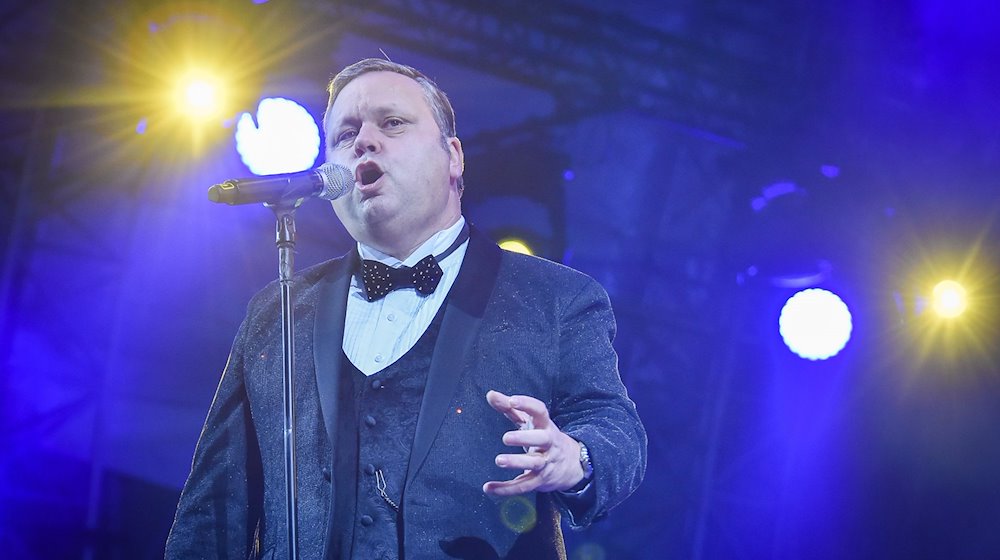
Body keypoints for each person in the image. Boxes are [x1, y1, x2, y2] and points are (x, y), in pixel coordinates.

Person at [165, 58, 646, 560]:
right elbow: (213, 511)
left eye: (392, 123)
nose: (364, 142)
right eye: (346, 134)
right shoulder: (277, 312)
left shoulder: (555, 298)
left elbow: (616, 429)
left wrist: (575, 456)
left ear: (453, 157)